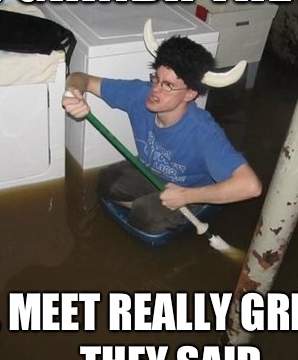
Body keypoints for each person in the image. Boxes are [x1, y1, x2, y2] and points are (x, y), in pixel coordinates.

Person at [62, 35, 262, 235]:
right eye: (156, 79)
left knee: (145, 216)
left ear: (190, 94)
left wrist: (186, 196)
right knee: (106, 181)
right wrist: (73, 92)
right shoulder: (140, 94)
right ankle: (147, 203)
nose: (155, 90)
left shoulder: (204, 131)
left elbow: (251, 186)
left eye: (168, 85)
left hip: (190, 190)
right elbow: (81, 78)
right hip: (152, 174)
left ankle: (190, 207)